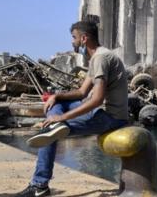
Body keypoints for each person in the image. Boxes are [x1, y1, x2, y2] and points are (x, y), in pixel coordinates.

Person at [17, 20, 129, 197]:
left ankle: (39, 185)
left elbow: (97, 99)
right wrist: (57, 96)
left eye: (74, 38)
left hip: (111, 117)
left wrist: (62, 118)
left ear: (84, 38)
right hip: (100, 112)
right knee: (56, 106)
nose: (72, 42)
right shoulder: (96, 57)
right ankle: (55, 129)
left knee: (50, 129)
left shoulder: (101, 58)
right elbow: (82, 93)